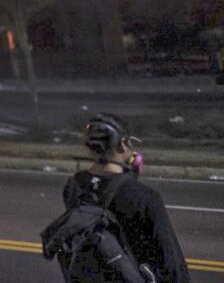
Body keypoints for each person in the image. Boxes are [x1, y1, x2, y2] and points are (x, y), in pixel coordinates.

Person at [58, 114, 190, 283]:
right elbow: (171, 261)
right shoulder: (145, 197)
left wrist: (127, 177)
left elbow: (103, 197)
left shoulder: (74, 186)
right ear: (122, 144)